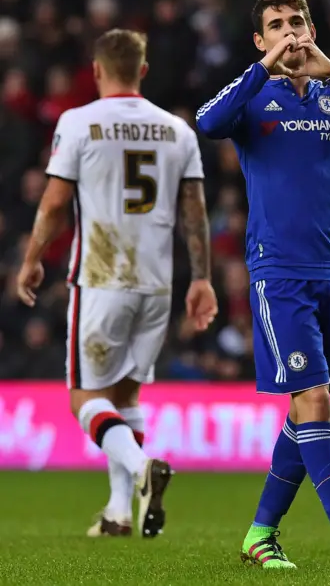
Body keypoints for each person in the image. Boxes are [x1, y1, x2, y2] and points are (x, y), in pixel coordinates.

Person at [196, 0, 330, 571]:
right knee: (312, 398)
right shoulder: (252, 100)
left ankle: (260, 535)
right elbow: (208, 121)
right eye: (277, 26)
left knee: (303, 409)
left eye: (298, 22)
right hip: (278, 274)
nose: (291, 33)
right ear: (260, 40)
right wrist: (261, 68)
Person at [17, 29, 218, 538]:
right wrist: (203, 278)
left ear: (98, 70)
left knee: (84, 398)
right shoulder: (178, 131)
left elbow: (56, 202)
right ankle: (118, 511)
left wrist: (33, 257)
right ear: (143, 71)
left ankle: (138, 466)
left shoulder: (79, 123)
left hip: (102, 278)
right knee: (126, 395)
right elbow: (194, 212)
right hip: (157, 285)